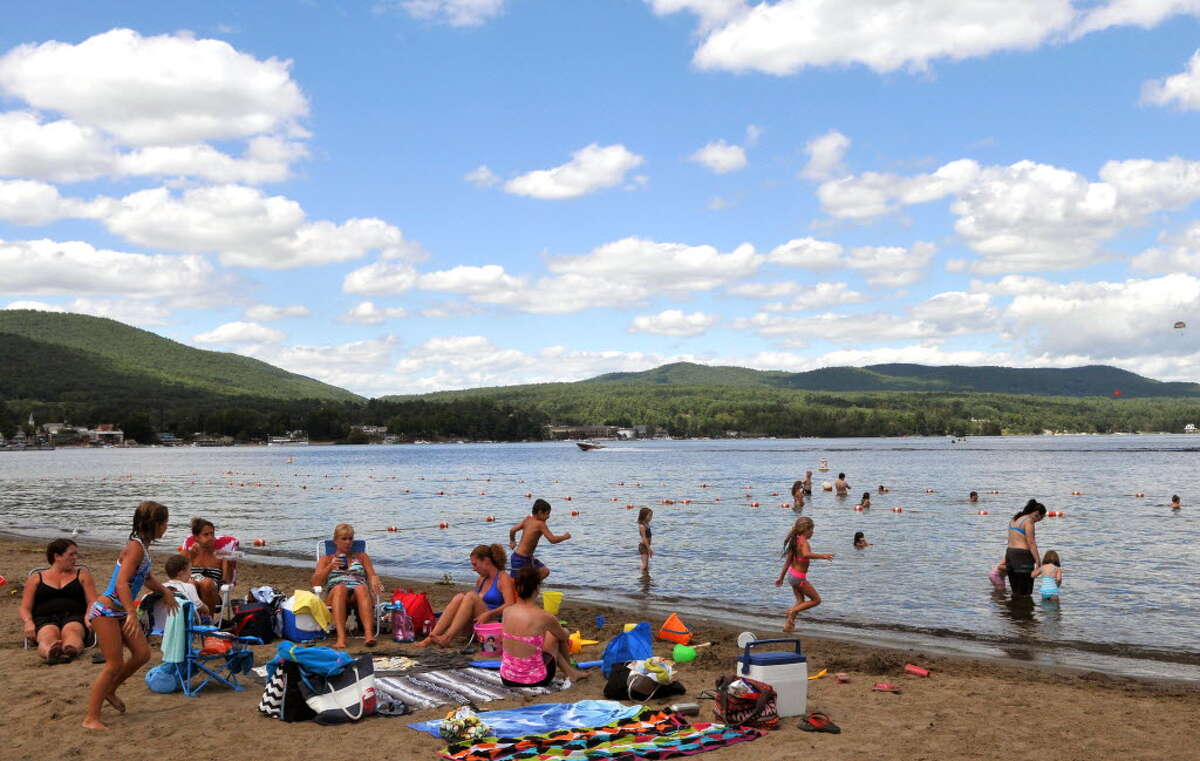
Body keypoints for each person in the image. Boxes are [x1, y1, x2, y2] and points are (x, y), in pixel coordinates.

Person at [84, 501, 178, 730]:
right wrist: (131, 613)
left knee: (142, 654)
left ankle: (111, 690)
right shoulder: (135, 547)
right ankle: (90, 718)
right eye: (164, 523)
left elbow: (144, 578)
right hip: (106, 611)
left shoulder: (144, 547)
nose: (166, 527)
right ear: (154, 524)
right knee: (113, 664)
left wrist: (164, 590)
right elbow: (121, 583)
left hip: (118, 611)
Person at [499, 567, 590, 686]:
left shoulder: (507, 611)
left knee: (541, 640)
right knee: (556, 635)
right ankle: (571, 673)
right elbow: (563, 637)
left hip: (507, 677)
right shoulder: (544, 616)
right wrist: (566, 631)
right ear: (536, 589)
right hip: (535, 679)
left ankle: (571, 672)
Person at [415, 544, 514, 647]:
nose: (474, 569)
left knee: (471, 596)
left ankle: (447, 637)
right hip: (475, 625)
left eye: (475, 564)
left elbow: (511, 604)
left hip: (492, 627)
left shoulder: (503, 578)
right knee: (459, 597)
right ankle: (431, 638)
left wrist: (489, 614)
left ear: (486, 561)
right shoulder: (481, 580)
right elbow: (470, 606)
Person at [20, 538, 97, 664]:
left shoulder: (82, 575)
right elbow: (25, 607)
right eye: (71, 554)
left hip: (74, 616)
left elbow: (92, 601)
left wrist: (89, 616)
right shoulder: (36, 578)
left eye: (76, 554)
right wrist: (28, 622)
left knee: (72, 632)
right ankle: (50, 651)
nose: (75, 558)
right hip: (45, 618)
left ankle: (70, 649)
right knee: (47, 634)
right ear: (57, 556)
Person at [312, 523, 384, 648]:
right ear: (335, 541)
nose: (348, 542)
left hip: (359, 593)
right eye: (344, 539)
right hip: (336, 594)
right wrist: (330, 567)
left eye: (350, 538)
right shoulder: (326, 559)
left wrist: (374, 579)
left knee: (361, 587)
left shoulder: (361, 556)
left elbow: (372, 574)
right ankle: (341, 638)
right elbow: (315, 582)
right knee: (340, 588)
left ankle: (369, 635)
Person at [775, 517, 833, 632]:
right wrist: (823, 556)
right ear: (806, 529)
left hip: (792, 576)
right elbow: (806, 554)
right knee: (816, 600)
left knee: (800, 601)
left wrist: (781, 578)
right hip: (799, 578)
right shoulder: (804, 542)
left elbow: (788, 562)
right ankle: (793, 611)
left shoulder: (795, 540)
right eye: (812, 529)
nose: (813, 532)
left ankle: (788, 626)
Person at [508, 499, 571, 580]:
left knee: (544, 571)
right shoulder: (541, 524)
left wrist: (512, 541)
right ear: (540, 512)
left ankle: (530, 586)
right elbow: (552, 540)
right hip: (520, 559)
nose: (548, 517)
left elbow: (512, 530)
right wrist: (565, 536)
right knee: (515, 584)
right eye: (547, 514)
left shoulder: (527, 519)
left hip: (527, 558)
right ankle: (527, 588)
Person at [185, 518, 229, 616]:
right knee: (191, 583)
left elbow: (226, 580)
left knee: (207, 583)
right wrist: (191, 556)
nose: (210, 537)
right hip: (193, 588)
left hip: (213, 593)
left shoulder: (222, 555)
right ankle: (192, 619)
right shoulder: (191, 553)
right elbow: (179, 574)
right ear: (196, 537)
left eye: (212, 534)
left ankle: (208, 620)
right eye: (206, 534)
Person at [1005, 499, 1046, 596]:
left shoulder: (1014, 519)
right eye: (1039, 519)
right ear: (1036, 514)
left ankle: (1014, 609)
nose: (1037, 521)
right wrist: (1038, 561)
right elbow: (1031, 542)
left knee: (1016, 591)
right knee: (1025, 593)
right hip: (1022, 557)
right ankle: (1025, 610)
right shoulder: (1029, 521)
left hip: (1010, 554)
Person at [163, 554, 209, 621]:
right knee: (207, 617)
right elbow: (201, 608)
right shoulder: (189, 587)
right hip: (182, 625)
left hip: (163, 624)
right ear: (180, 573)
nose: (191, 573)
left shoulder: (162, 587)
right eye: (190, 570)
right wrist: (207, 610)